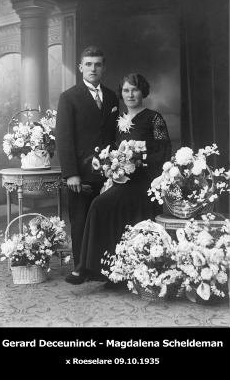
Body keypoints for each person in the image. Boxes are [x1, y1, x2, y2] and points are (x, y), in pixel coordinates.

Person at [66, 73, 172, 285]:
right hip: (122, 181)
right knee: (98, 204)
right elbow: (112, 149)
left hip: (145, 184)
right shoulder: (118, 119)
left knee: (101, 204)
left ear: (143, 92)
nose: (130, 94)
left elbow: (164, 151)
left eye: (135, 89)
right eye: (126, 90)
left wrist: (139, 162)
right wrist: (111, 167)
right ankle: (95, 267)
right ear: (121, 94)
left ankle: (99, 268)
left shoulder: (154, 118)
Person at [56, 46, 118, 272]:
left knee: (103, 217)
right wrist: (71, 173)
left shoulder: (111, 96)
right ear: (81, 67)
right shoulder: (69, 97)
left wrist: (115, 167)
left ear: (103, 68)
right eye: (89, 64)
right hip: (80, 173)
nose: (93, 68)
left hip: (108, 172)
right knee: (81, 219)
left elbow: (113, 134)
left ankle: (102, 266)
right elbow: (64, 138)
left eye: (98, 64)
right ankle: (81, 267)